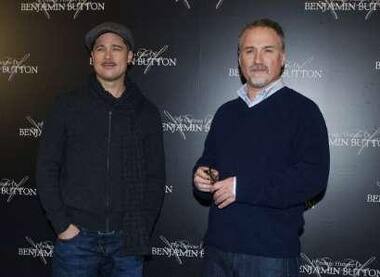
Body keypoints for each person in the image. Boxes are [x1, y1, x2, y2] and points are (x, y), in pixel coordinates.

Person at [193, 18, 329, 277]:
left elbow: (312, 178)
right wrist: (201, 177)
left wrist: (242, 188)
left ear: (283, 58)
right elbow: (209, 162)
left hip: (270, 257)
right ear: (239, 59)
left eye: (268, 50)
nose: (258, 59)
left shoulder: (304, 111)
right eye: (249, 51)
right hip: (217, 251)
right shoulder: (226, 112)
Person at [36, 22, 165, 277]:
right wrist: (63, 226)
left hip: (127, 243)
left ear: (130, 57)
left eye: (116, 49)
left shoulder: (146, 113)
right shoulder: (67, 105)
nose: (108, 56)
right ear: (91, 57)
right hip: (76, 242)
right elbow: (46, 167)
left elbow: (155, 177)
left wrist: (140, 227)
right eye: (100, 49)